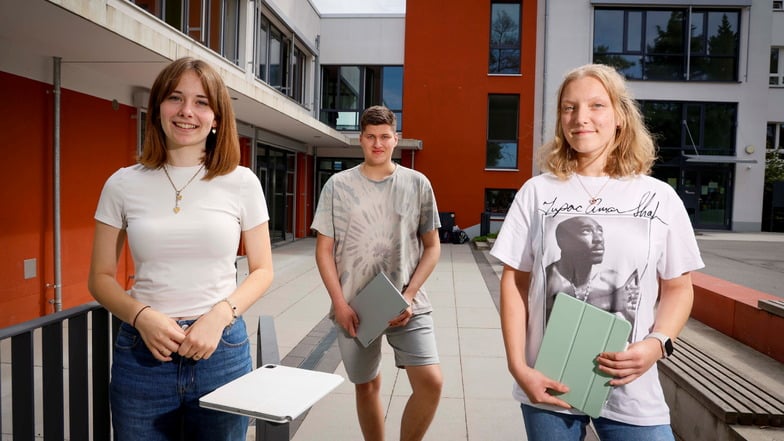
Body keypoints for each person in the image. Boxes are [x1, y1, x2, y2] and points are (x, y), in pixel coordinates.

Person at [490, 63, 704, 441]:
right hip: (549, 384)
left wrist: (657, 345)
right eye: (569, 107)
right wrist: (519, 368)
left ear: (620, 116)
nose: (580, 118)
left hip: (633, 390)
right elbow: (515, 283)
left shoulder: (659, 197)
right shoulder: (537, 192)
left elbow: (678, 287)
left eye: (596, 106)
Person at [88, 57, 274, 441]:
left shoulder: (242, 182)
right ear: (157, 109)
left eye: (202, 102)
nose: (187, 111)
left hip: (220, 349)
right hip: (143, 354)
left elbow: (263, 270)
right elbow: (100, 278)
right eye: (175, 98)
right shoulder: (122, 184)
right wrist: (141, 316)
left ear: (217, 117)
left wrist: (219, 316)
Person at [311, 105, 443, 441]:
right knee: (366, 385)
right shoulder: (337, 185)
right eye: (370, 137)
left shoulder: (417, 184)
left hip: (407, 304)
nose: (378, 143)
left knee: (431, 382)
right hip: (355, 307)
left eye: (385, 137)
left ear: (395, 139)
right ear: (361, 140)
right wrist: (339, 303)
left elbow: (433, 247)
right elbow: (324, 250)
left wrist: (409, 296)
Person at [545, 216, 640, 323]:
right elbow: (554, 323)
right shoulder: (547, 278)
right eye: (586, 231)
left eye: (600, 231)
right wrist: (609, 301)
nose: (598, 239)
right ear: (563, 241)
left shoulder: (612, 280)